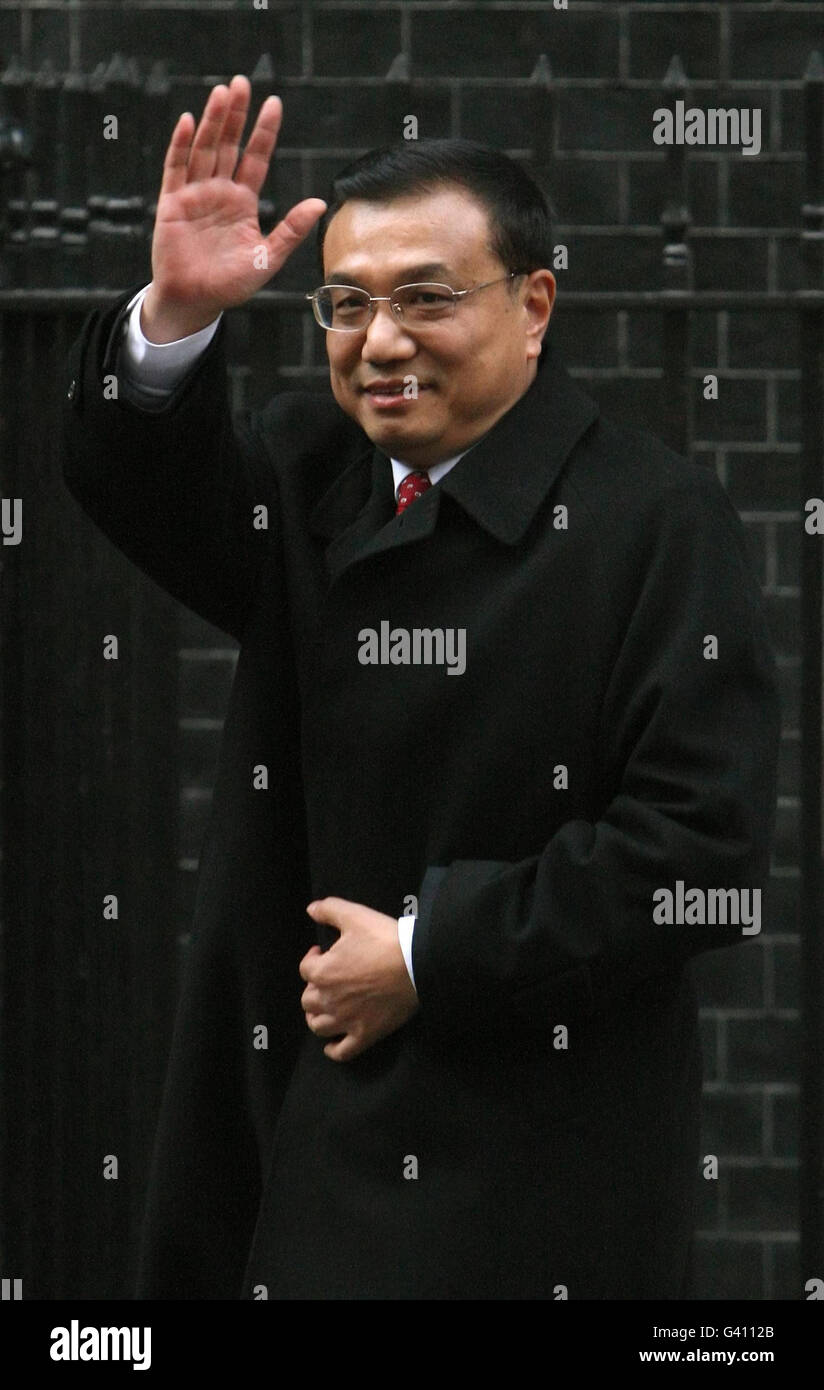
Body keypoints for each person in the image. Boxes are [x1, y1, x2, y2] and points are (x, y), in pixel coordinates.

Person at [61, 74, 780, 1300]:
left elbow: (698, 856)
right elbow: (142, 492)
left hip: (527, 1180)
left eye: (425, 299)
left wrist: (428, 951)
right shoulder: (309, 473)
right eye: (345, 304)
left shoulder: (654, 523)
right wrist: (176, 311)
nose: (379, 342)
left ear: (534, 304)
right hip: (294, 1145)